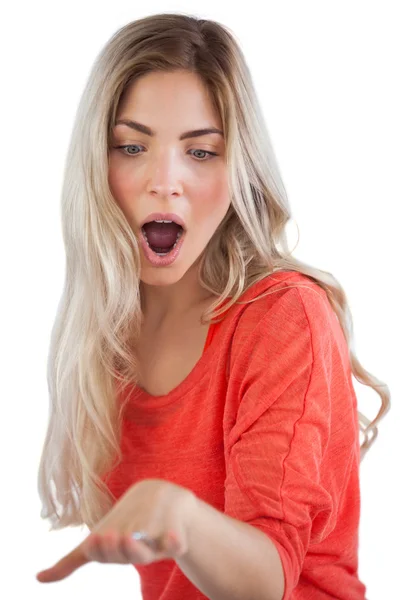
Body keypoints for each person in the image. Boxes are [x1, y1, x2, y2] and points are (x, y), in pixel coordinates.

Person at [36, 12, 390, 600]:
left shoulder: (284, 316)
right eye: (131, 146)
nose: (165, 180)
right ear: (96, 166)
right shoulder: (111, 332)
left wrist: (181, 517)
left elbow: (266, 581)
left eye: (200, 152)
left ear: (237, 170)